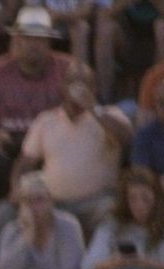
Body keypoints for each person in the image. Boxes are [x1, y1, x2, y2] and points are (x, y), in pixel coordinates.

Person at [0, 7, 70, 223]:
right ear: (15, 40)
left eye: (39, 39)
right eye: (26, 38)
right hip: (5, 144)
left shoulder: (67, 69)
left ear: (50, 42)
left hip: (51, 146)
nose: (32, 45)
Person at [16, 60, 130, 236]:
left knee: (110, 210)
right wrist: (17, 189)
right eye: (73, 82)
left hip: (97, 202)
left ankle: (100, 255)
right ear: (63, 87)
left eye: (85, 83)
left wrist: (93, 108)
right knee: (4, 211)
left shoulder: (109, 114)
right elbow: (25, 163)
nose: (79, 88)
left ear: (94, 89)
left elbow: (126, 138)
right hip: (53, 203)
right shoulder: (46, 120)